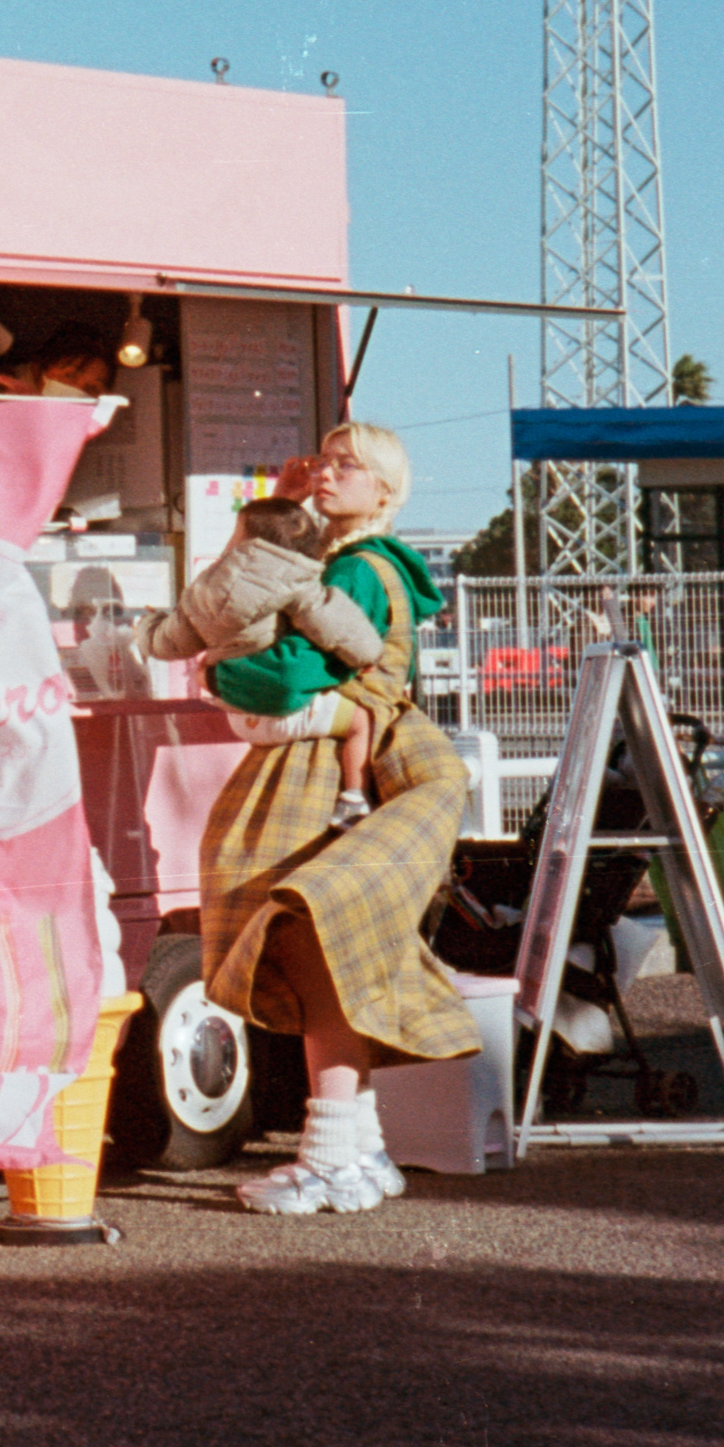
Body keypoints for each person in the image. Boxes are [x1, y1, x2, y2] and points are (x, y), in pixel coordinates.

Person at [183, 420, 480, 1215]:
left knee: (314, 949)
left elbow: (286, 677)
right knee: (333, 957)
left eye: (350, 465)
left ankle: (329, 1160)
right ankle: (355, 1148)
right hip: (351, 771)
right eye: (327, 458)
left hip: (311, 782)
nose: (327, 472)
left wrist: (218, 669)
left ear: (383, 491)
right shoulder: (373, 565)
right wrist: (280, 507)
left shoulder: (354, 570)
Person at [143, 457, 383, 827]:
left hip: (238, 714)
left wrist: (147, 624)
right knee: (362, 721)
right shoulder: (296, 582)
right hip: (283, 714)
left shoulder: (203, 588)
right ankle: (354, 796)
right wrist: (368, 654)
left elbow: (166, 643)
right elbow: (337, 623)